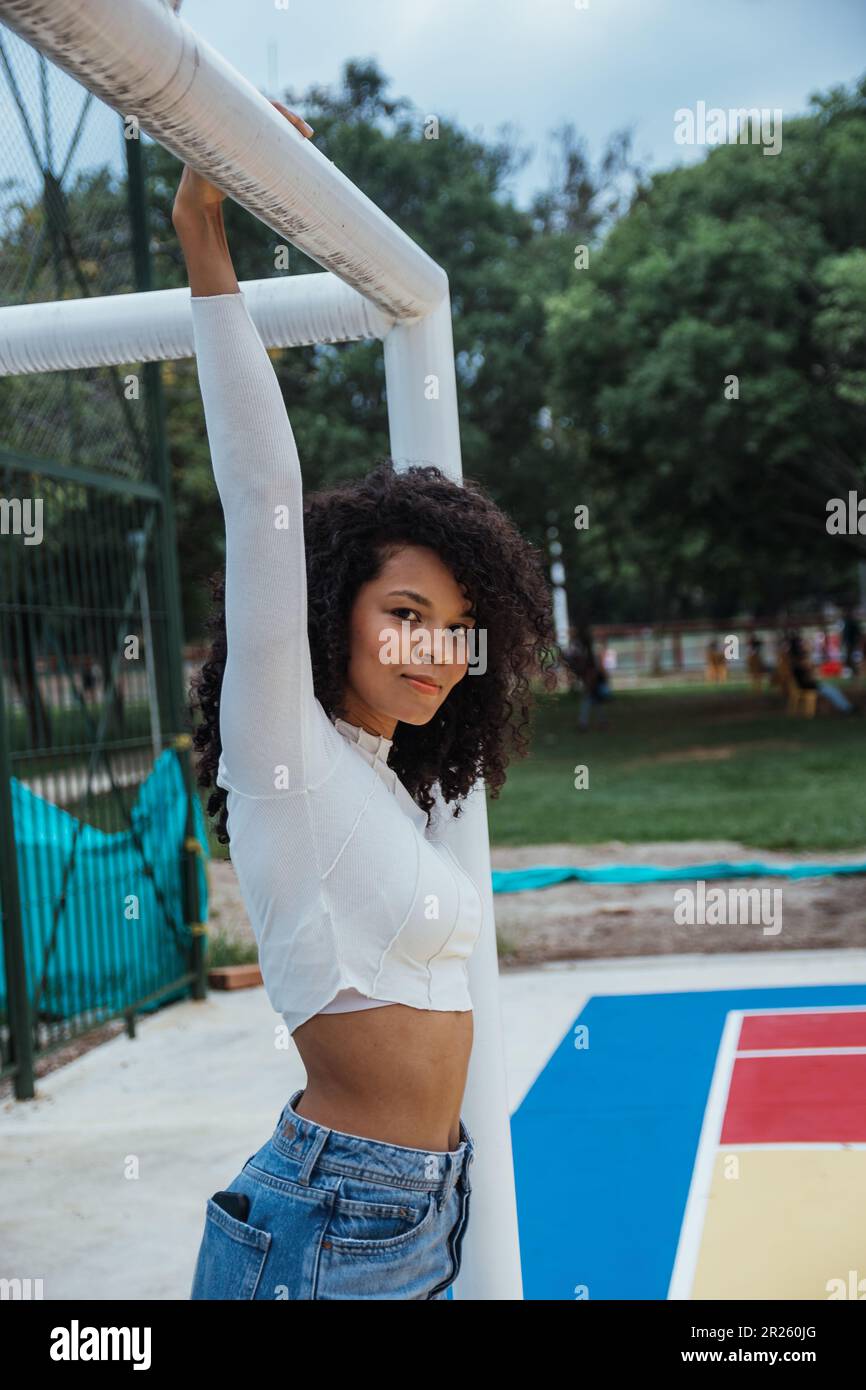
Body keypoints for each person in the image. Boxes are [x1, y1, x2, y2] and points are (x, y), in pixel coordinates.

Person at [176, 101, 555, 1301]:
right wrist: (204, 224)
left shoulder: (388, 789)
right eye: (403, 611)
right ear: (332, 604)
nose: (433, 646)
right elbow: (260, 490)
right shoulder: (281, 749)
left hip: (413, 1207)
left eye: (455, 624)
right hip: (336, 1216)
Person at [787, 631, 857, 714]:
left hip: (806, 684)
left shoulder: (794, 660)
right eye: (801, 643)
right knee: (832, 690)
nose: (803, 645)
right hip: (807, 686)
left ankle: (846, 707)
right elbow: (808, 673)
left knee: (831, 689)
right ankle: (846, 708)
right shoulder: (799, 661)